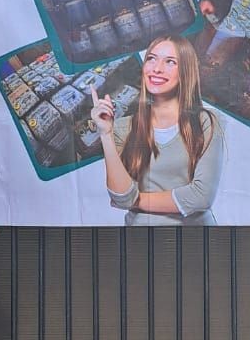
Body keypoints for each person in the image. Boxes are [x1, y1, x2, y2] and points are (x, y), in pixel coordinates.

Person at [91, 34, 225, 225]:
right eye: (151, 59)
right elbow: (121, 196)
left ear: (186, 72)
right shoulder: (122, 127)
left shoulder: (208, 121)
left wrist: (137, 200)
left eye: (170, 62)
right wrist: (105, 134)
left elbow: (201, 197)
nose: (157, 68)